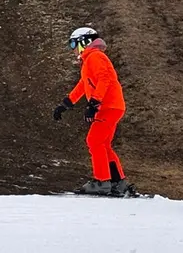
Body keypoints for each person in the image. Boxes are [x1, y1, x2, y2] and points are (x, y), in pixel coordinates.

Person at [52, 27, 129, 196]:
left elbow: (104, 79)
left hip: (107, 107)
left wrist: (94, 104)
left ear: (84, 42)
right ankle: (118, 182)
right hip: (111, 106)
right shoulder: (90, 60)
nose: (73, 49)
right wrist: (66, 104)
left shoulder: (94, 57)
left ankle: (102, 181)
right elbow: (83, 85)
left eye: (73, 43)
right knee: (103, 144)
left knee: (93, 141)